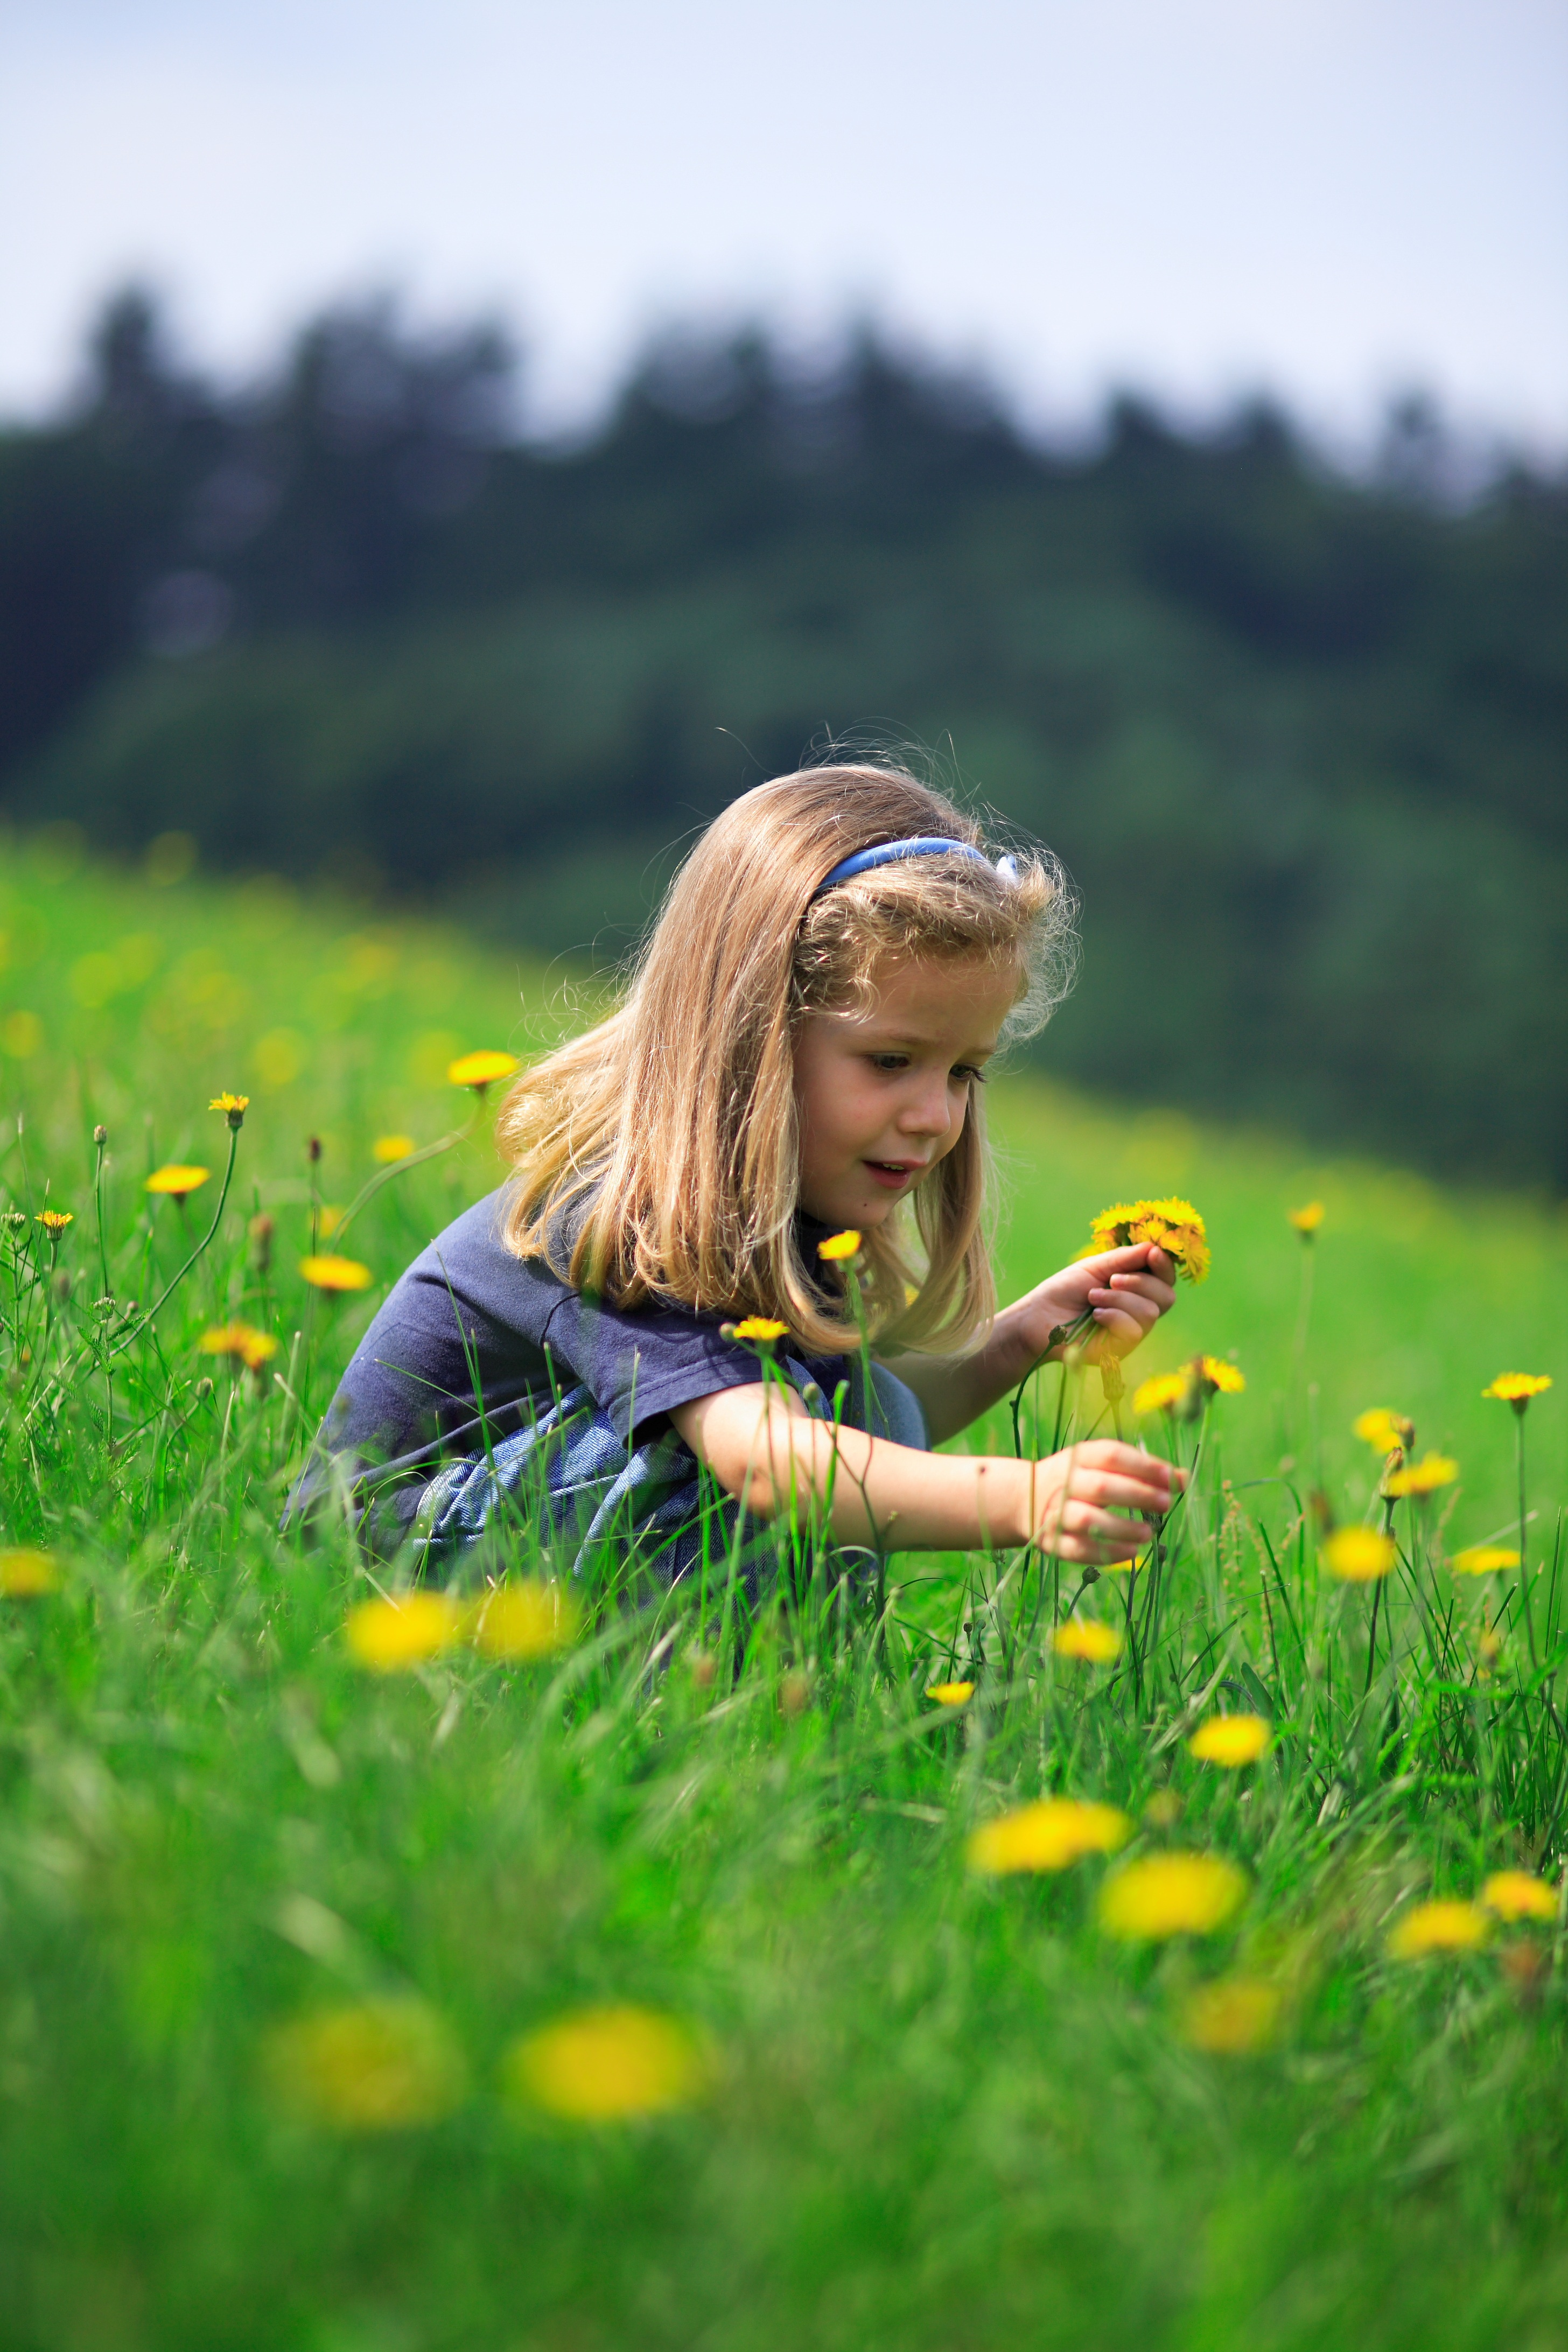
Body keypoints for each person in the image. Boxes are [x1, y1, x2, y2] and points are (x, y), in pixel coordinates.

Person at [296, 764, 1184, 1583]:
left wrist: (1023, 1339)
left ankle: (751, 1697)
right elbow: (766, 1465)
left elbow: (868, 1431)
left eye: (962, 1072)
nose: (934, 1115)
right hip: (379, 1559)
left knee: (846, 1408)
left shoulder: (786, 1215)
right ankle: (675, 1696)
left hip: (525, 1526)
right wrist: (1024, 1500)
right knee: (734, 1473)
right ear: (752, 1037)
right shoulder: (636, 1220)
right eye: (888, 1061)